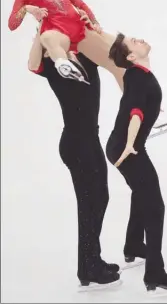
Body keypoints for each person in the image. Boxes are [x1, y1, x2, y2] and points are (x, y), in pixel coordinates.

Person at [27, 29, 120, 290]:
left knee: (99, 198)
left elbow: (112, 53)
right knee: (90, 202)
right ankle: (89, 266)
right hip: (77, 143)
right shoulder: (53, 67)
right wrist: (39, 34)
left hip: (90, 140)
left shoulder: (86, 58)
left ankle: (90, 261)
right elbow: (32, 64)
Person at [106, 34, 167, 293]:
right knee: (155, 206)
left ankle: (133, 246)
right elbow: (135, 112)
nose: (139, 39)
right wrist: (131, 144)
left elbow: (137, 102)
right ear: (130, 56)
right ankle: (154, 273)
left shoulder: (137, 74)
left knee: (142, 193)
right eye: (133, 41)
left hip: (126, 146)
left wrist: (153, 107)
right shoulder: (138, 76)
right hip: (126, 149)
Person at [9, 0, 125, 88]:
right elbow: (12, 24)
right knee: (48, 37)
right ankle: (63, 64)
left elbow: (81, 5)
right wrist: (26, 8)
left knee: (118, 68)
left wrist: (94, 23)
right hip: (59, 33)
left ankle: (133, 103)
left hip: (80, 30)